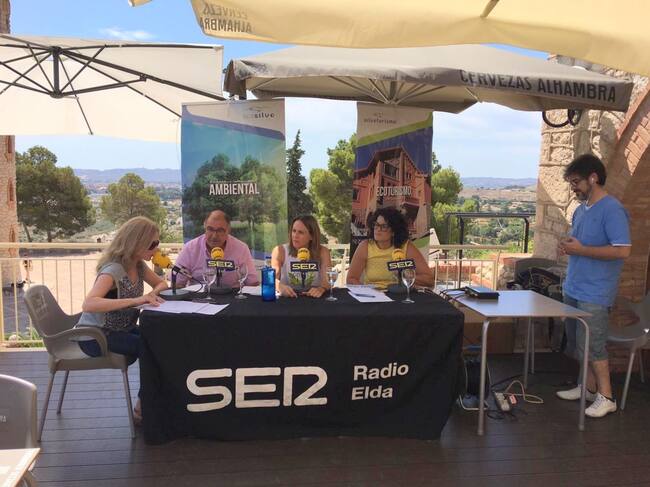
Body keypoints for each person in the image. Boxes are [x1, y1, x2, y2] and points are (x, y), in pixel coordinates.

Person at [556, 154, 631, 418]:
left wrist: (582, 250)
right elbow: (579, 244)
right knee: (579, 344)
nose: (573, 188)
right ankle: (587, 388)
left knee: (594, 345)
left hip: (596, 291)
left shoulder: (612, 210)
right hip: (574, 287)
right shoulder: (580, 210)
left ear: (593, 178)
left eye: (576, 182)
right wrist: (567, 247)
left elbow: (622, 251)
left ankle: (606, 397)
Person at [76, 216, 168, 424]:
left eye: (157, 243)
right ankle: (142, 408)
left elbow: (162, 283)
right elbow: (89, 303)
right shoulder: (113, 270)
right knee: (152, 350)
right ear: (137, 243)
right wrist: (137, 300)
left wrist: (151, 295)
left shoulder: (139, 265)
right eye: (152, 244)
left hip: (121, 329)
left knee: (160, 340)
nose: (156, 248)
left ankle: (152, 400)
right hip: (96, 336)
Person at [347, 207, 434, 289]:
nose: (378, 229)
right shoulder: (365, 246)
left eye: (384, 226)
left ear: (393, 231)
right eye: (376, 225)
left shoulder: (406, 247)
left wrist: (404, 275)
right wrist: (365, 291)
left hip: (399, 296)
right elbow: (351, 279)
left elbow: (429, 280)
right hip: (373, 296)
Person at [175, 210, 259, 288]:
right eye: (210, 229)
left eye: (220, 230)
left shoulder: (241, 248)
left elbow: (252, 283)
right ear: (205, 228)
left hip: (232, 296)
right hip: (199, 296)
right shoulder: (190, 249)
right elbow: (176, 283)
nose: (214, 236)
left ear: (228, 230)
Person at [271, 215, 332, 298]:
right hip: (289, 299)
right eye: (294, 231)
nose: (295, 236)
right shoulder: (280, 251)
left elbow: (327, 280)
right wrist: (279, 287)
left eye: (300, 232)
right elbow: (271, 279)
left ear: (312, 236)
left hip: (314, 299)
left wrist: (321, 289)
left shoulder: (323, 252)